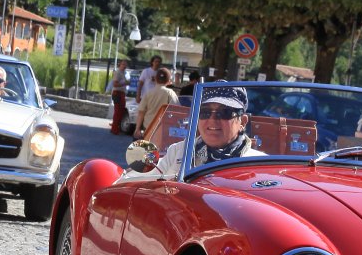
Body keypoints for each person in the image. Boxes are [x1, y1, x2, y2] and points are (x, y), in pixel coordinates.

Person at [130, 84, 266, 178]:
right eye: (205, 112)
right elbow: (137, 182)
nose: (212, 119)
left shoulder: (258, 165)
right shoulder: (179, 151)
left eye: (225, 112)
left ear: (242, 122)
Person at [134, 66, 178, 141]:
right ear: (168, 81)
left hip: (148, 128)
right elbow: (177, 110)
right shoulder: (170, 93)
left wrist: (137, 129)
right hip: (163, 129)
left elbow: (141, 112)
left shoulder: (148, 93)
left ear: (155, 79)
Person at [108, 58, 129, 134]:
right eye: (123, 64)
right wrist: (125, 83)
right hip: (117, 93)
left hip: (121, 93)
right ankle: (114, 129)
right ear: (120, 64)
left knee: (120, 111)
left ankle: (116, 127)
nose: (124, 66)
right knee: (118, 111)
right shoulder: (118, 72)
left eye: (125, 65)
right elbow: (115, 84)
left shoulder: (123, 73)